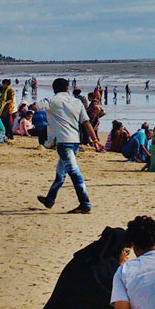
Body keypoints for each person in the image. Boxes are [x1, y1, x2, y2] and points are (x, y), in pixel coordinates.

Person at [43, 227, 132, 309]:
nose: (126, 258)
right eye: (126, 252)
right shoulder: (106, 269)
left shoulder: (85, 256)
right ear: (118, 250)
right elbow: (119, 304)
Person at [37, 78, 100, 214]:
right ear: (67, 88)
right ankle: (50, 199)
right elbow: (86, 122)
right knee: (60, 174)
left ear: (54, 89)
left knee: (74, 172)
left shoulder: (52, 100)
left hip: (63, 142)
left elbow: (37, 107)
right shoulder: (77, 102)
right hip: (75, 141)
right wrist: (95, 140)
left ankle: (85, 203)